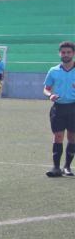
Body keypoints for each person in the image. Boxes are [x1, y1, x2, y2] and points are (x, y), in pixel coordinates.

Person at [43, 41, 75, 177]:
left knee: (72, 137)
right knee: (58, 137)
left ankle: (67, 166)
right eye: (63, 52)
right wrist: (50, 95)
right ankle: (56, 167)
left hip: (73, 107)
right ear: (59, 54)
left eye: (68, 52)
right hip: (58, 108)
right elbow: (46, 88)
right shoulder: (53, 70)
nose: (66, 55)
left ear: (73, 53)